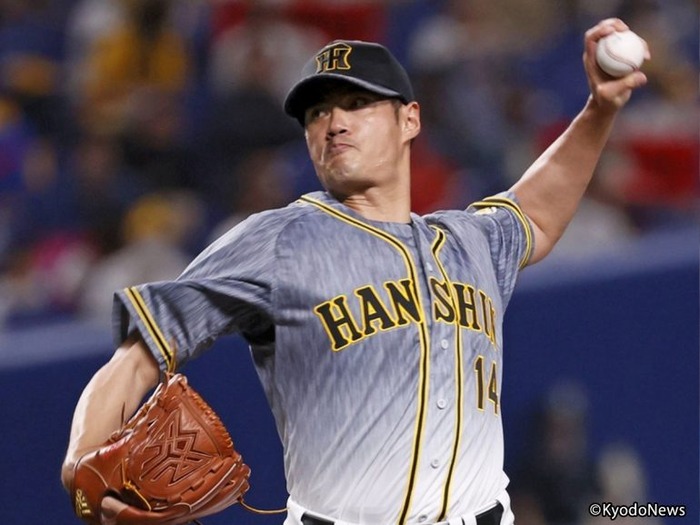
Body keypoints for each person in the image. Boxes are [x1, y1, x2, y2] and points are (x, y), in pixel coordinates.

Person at [61, 18, 649, 525]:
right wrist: (82, 465)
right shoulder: (276, 239)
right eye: (317, 112)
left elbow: (536, 213)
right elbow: (137, 355)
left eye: (356, 103)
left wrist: (599, 109)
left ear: (410, 119)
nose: (333, 122)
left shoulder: (469, 241)